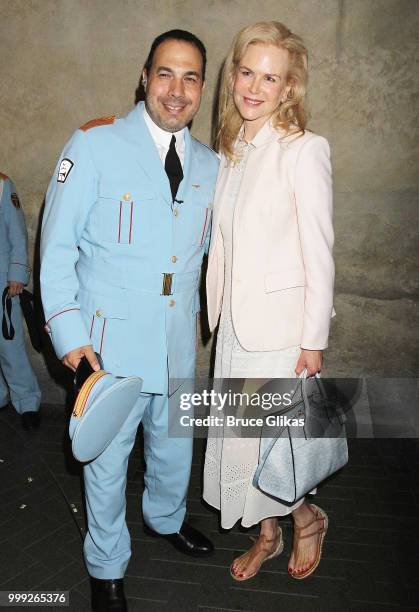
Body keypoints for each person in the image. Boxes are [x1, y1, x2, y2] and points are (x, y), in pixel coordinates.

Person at [41, 30, 219, 611]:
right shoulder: (94, 145)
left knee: (174, 447)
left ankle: (165, 520)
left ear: (201, 88)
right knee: (107, 460)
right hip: (108, 348)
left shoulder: (211, 167)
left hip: (175, 344)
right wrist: (69, 336)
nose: (177, 89)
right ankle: (107, 564)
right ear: (144, 78)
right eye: (166, 73)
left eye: (191, 77)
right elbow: (57, 248)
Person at [203, 21, 335, 581]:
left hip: (279, 335)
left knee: (271, 447)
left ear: (289, 88)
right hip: (234, 327)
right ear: (233, 75)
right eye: (247, 72)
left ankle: (306, 520)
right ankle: (268, 533)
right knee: (240, 443)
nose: (255, 87)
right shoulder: (231, 150)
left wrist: (313, 340)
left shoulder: (303, 151)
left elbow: (320, 250)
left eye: (270, 77)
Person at [0, 172, 41, 430]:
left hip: (2, 284)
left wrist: (17, 274)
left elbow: (16, 233)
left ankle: (27, 401)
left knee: (9, 346)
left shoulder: (3, 184)